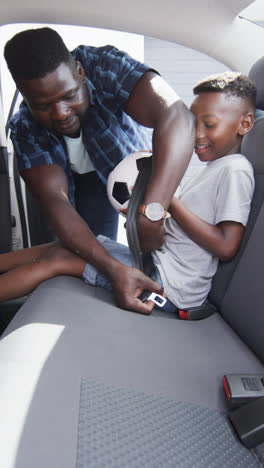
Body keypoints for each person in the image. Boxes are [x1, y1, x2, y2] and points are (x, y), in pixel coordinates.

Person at [0, 72, 256, 314]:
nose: (197, 134)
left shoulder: (236, 169)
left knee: (56, 261)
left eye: (209, 125)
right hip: (158, 265)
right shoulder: (216, 168)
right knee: (62, 245)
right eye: (193, 124)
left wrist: (168, 201)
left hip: (169, 286)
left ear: (244, 123)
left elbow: (226, 246)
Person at [4, 27, 195, 313]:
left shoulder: (105, 66)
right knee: (76, 251)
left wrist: (152, 210)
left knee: (83, 253)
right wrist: (113, 270)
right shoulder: (24, 128)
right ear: (25, 95)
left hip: (118, 175)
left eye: (69, 95)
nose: (60, 113)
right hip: (71, 183)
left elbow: (177, 115)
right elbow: (57, 202)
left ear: (80, 72)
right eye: (42, 105)